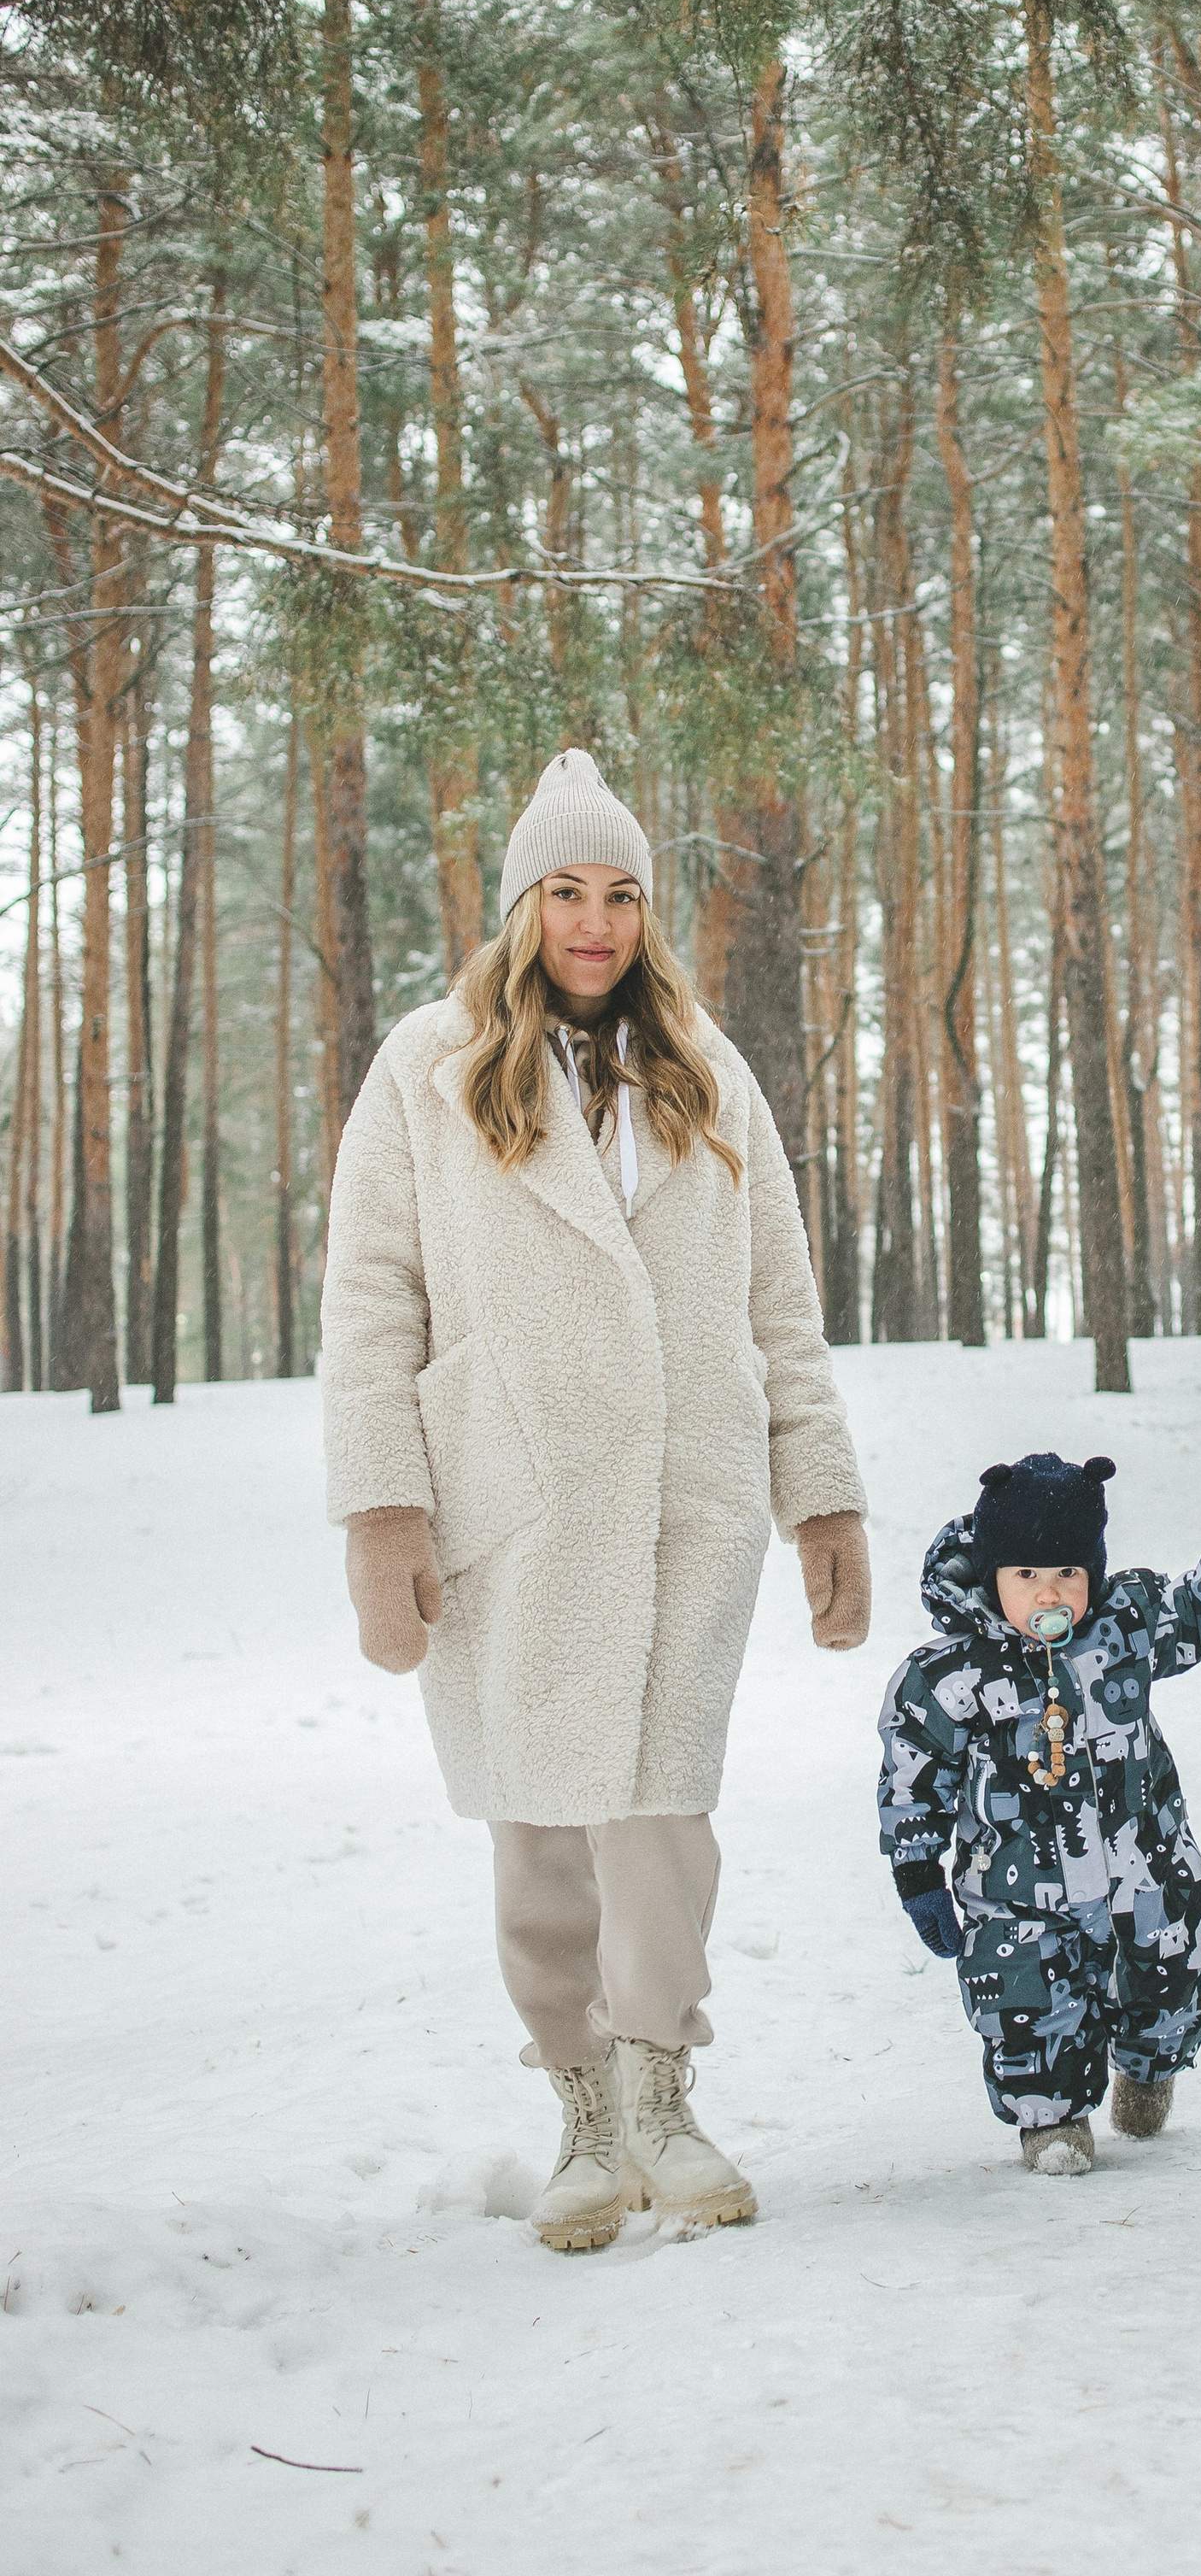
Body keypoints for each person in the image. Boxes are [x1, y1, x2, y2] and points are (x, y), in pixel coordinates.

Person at [319, 748, 870, 2253]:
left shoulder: (705, 1062)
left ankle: (660, 2094)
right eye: (567, 891)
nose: (597, 922)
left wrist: (821, 1501)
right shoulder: (427, 1069)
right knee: (540, 1819)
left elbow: (781, 1299)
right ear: (519, 907)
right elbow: (370, 1297)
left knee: (661, 1813)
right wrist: (384, 1513)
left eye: (622, 894)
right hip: (513, 1492)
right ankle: (577, 2109)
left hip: (687, 1491)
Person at [877, 1452, 1201, 2175]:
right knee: (1027, 1997)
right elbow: (914, 1773)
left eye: (1068, 1574)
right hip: (1019, 1891)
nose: (1048, 1592)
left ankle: (1149, 2071)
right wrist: (917, 1870)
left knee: (1172, 1968)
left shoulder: (1126, 1630)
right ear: (994, 1577)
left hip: (1147, 1866)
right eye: (1026, 1575)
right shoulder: (952, 1673)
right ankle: (1051, 2119)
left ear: (1094, 1574)